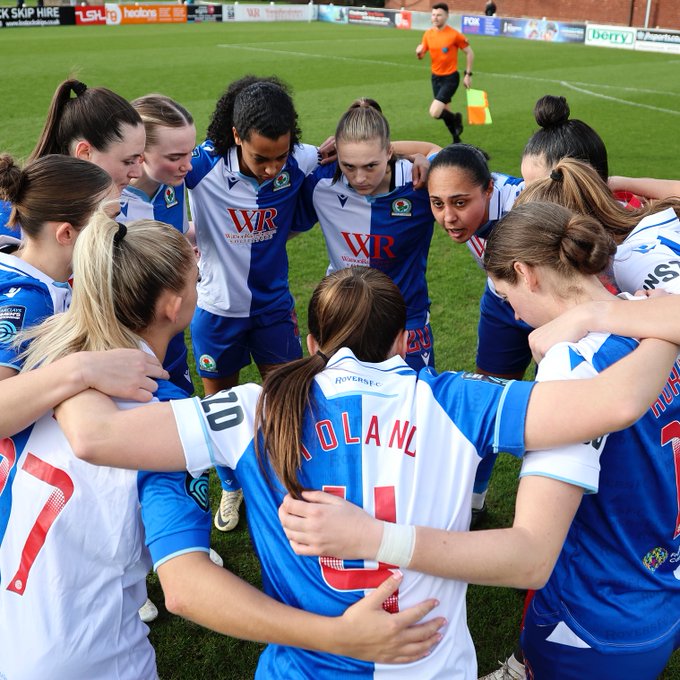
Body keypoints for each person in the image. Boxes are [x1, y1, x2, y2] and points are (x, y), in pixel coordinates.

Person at [53, 263, 677, 678]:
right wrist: (656, 328)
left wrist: (73, 352)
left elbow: (94, 435)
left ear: (309, 338)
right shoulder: (461, 400)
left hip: (303, 667)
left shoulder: (253, 406)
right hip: (429, 665)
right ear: (406, 340)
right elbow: (620, 402)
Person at [0, 218, 444, 680]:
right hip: (79, 651)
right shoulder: (159, 417)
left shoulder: (43, 364)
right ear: (174, 306)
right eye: (197, 278)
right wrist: (336, 636)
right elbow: (186, 587)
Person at [278, 203, 680, 680]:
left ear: (526, 274)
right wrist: (598, 310)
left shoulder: (572, 362)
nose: (512, 314)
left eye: (507, 298)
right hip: (659, 579)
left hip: (593, 609)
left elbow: (531, 551)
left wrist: (375, 536)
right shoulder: (652, 318)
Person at [185, 75, 320, 532]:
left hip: (272, 310)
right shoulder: (200, 166)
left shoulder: (298, 162)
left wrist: (423, 159)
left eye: (280, 156)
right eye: (261, 157)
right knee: (218, 406)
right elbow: (145, 166)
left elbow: (346, 150)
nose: (271, 168)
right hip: (215, 311)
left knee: (285, 399)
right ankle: (231, 485)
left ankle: (286, 482)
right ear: (236, 136)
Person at [297, 98, 439, 371]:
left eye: (370, 166)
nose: (359, 177)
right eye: (349, 166)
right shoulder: (321, 183)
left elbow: (454, 161)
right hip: (342, 316)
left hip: (406, 320)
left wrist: (426, 156)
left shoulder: (420, 182)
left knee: (411, 404)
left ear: (389, 151)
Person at [120, 93, 197, 398]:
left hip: (171, 328)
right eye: (176, 158)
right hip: (130, 337)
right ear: (140, 154)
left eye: (190, 153)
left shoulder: (171, 188)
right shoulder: (111, 201)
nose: (187, 166)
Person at [28, 78, 145, 196]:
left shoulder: (138, 207)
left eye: (139, 159)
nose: (138, 173)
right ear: (85, 153)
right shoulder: (25, 211)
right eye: (128, 161)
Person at [416, 3, 474, 144]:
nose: (435, 18)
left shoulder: (454, 35)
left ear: (447, 16)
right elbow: (422, 54)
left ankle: (456, 119)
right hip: (435, 78)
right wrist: (419, 52)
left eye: (439, 15)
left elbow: (469, 52)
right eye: (433, 15)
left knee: (435, 112)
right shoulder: (428, 34)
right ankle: (456, 139)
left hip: (450, 78)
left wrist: (468, 74)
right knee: (446, 111)